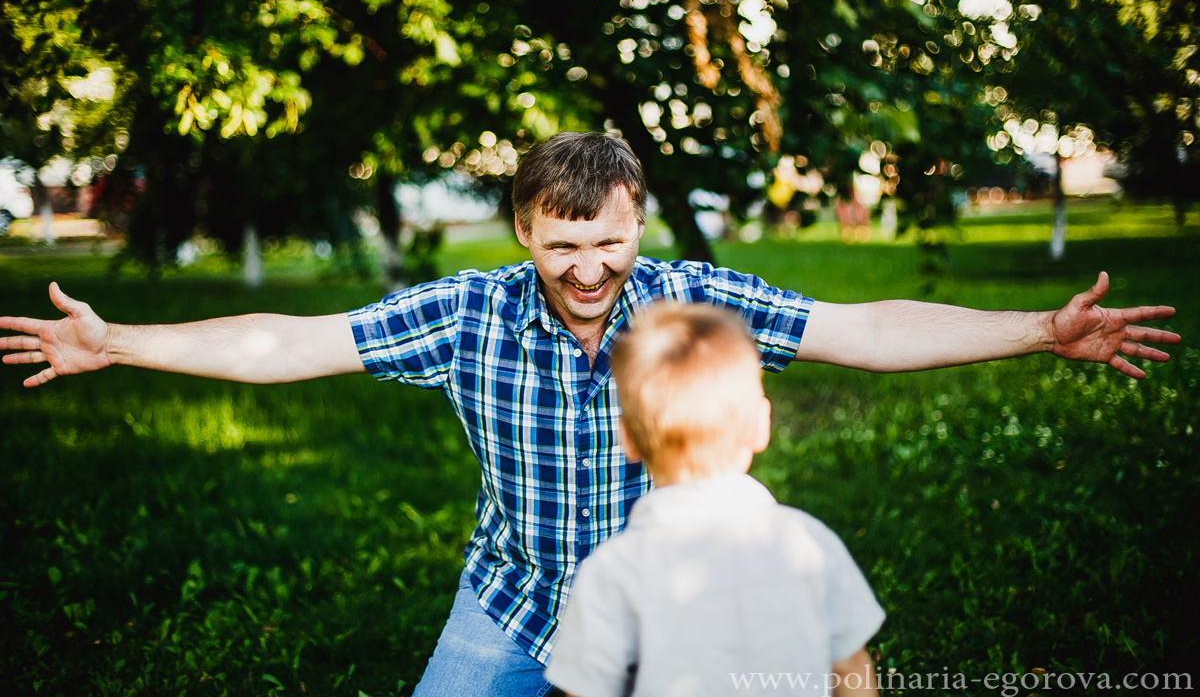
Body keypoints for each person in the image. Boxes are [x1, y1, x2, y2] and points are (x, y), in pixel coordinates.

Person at [0, 132, 1181, 696]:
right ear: (524, 231)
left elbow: (856, 327)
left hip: (680, 607)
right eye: (564, 245)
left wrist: (1036, 328)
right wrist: (122, 342)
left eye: (610, 240)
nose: (590, 267)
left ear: (637, 221)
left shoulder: (687, 294)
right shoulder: (468, 311)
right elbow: (291, 342)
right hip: (515, 595)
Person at [544, 301, 884, 697]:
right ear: (760, 425)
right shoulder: (810, 545)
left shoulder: (613, 571)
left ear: (630, 440)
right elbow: (852, 670)